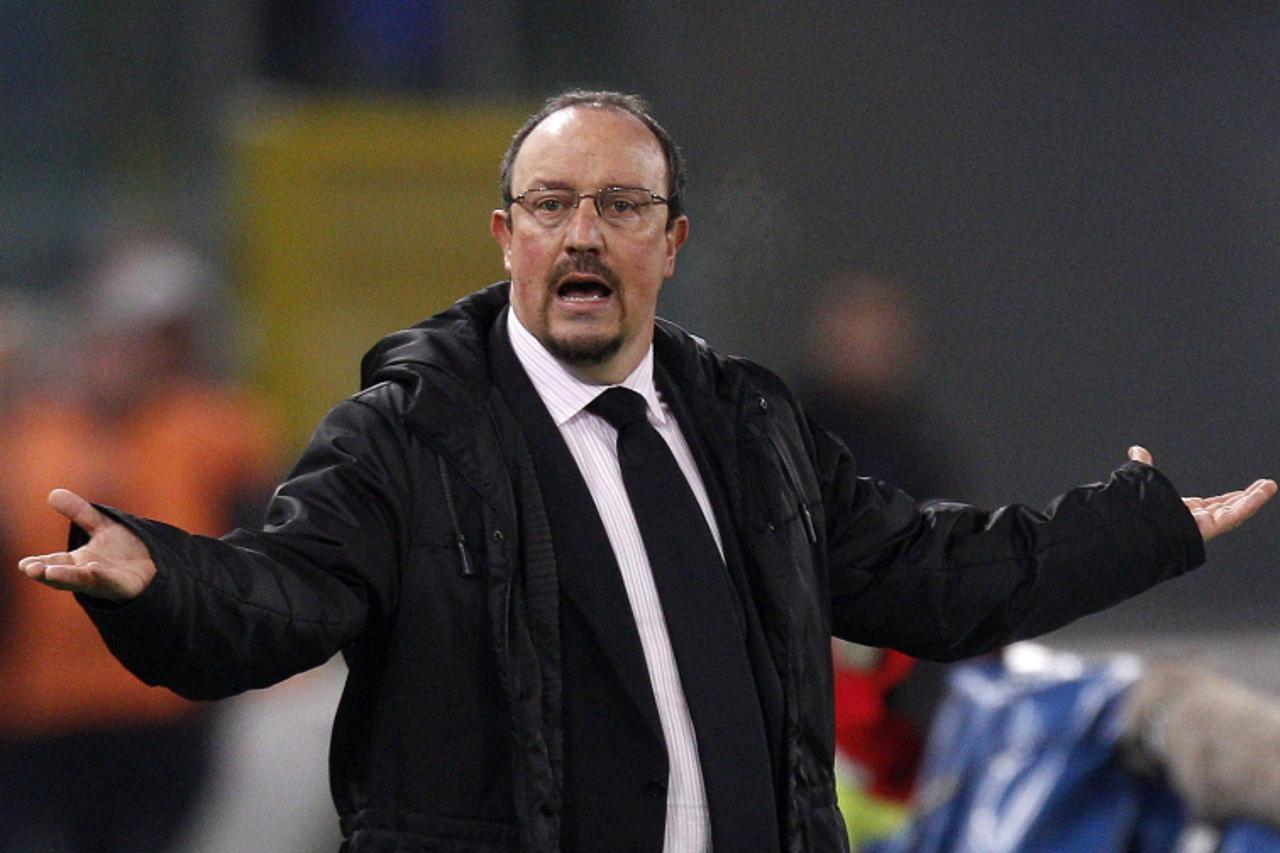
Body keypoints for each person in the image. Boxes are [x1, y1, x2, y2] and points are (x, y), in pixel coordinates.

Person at [15, 91, 1275, 853]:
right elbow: (278, 596)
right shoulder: (406, 436)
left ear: (669, 245)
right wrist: (156, 578)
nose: (581, 233)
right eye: (551, 203)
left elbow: (923, 575)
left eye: (619, 208)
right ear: (504, 235)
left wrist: (1135, 528)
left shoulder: (749, 426)